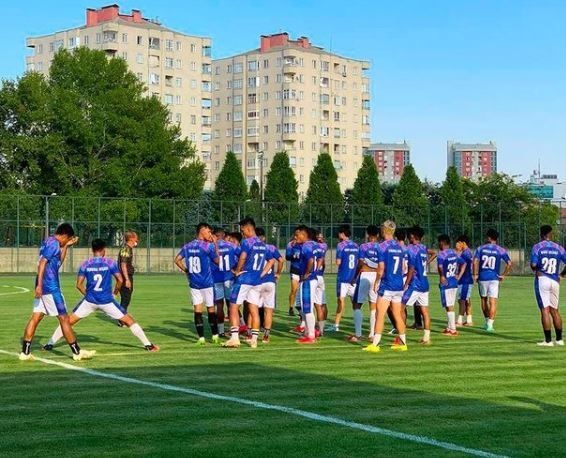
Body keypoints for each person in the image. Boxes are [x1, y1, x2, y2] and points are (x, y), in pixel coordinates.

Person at [43, 239, 159, 352]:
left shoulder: (85, 264)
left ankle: (49, 344)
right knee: (129, 321)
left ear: (92, 250)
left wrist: (88, 295)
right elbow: (120, 280)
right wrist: (115, 293)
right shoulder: (110, 263)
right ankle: (148, 345)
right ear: (104, 250)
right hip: (106, 301)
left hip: (89, 301)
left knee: (67, 321)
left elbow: (79, 285)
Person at [19, 223, 95, 361]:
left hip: (44, 287)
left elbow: (58, 262)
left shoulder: (49, 242)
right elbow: (42, 263)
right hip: (51, 288)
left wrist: (66, 246)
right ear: (65, 235)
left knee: (36, 317)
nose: (68, 241)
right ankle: (77, 352)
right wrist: (40, 286)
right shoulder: (54, 244)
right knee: (64, 319)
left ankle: (25, 352)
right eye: (68, 239)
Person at [224, 217, 270, 349]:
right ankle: (254, 340)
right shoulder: (262, 244)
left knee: (233, 307)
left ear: (248, 227)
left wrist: (237, 270)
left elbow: (243, 257)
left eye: (242, 229)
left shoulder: (247, 242)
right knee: (254, 309)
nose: (242, 232)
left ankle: (234, 338)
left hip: (245, 279)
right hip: (257, 280)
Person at [364, 220, 408, 353]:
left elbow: (381, 268)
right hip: (398, 285)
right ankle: (403, 343)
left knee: (380, 314)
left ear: (383, 230)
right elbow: (403, 267)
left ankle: (375, 344)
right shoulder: (400, 247)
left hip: (387, 284)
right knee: (397, 315)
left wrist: (377, 282)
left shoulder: (381, 246)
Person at [174, 223, 220, 345]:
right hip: (207, 283)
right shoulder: (208, 246)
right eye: (209, 232)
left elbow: (176, 260)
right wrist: (215, 244)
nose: (210, 234)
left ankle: (201, 338)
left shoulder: (187, 246)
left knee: (197, 310)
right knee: (211, 309)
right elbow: (218, 261)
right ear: (202, 230)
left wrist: (186, 271)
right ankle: (215, 336)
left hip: (194, 283)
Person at [530, 225, 565, 347]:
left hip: (542, 279)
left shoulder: (537, 247)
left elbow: (533, 265)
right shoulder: (559, 248)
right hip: (555, 280)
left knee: (545, 310)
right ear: (551, 233)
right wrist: (562, 274)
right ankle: (560, 339)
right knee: (555, 310)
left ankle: (548, 341)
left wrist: (536, 268)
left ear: (541, 234)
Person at [473, 229, 512, 332]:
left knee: (483, 300)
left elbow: (475, 261)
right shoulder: (500, 250)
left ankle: (486, 322)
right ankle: (490, 324)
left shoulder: (480, 248)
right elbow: (509, 263)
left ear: (489, 237)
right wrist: (503, 275)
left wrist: (475, 274)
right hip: (494, 278)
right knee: (493, 301)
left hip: (483, 277)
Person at [349, 225, 380, 342]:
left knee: (357, 304)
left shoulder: (363, 246)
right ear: (377, 235)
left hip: (365, 275)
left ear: (367, 234)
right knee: (373, 305)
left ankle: (358, 334)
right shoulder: (381, 247)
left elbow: (360, 263)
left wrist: (354, 276)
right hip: (376, 276)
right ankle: (372, 334)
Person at [402, 226, 432, 345]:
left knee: (399, 308)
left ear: (413, 236)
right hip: (425, 283)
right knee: (425, 311)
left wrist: (406, 284)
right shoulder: (423, 248)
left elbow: (411, 268)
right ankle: (426, 338)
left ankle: (401, 336)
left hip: (415, 284)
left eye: (409, 235)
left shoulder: (411, 249)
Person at [256, 227, 283, 343]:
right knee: (269, 310)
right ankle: (266, 336)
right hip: (270, 281)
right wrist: (278, 273)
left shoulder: (252, 247)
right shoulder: (271, 248)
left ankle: (252, 334)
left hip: (257, 281)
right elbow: (281, 260)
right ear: (264, 237)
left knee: (254, 310)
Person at [437, 234, 466, 336]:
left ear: (442, 243)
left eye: (438, 243)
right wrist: (459, 275)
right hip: (454, 282)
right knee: (449, 305)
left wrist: (442, 276)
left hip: (446, 283)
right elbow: (464, 264)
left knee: (449, 306)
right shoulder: (454, 253)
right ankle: (449, 327)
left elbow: (440, 266)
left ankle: (453, 330)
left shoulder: (441, 254)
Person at [211, 227, 238, 337]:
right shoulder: (232, 246)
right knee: (232, 305)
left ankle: (221, 331)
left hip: (216, 279)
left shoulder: (212, 247)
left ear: (215, 236)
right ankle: (234, 330)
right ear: (223, 235)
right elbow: (241, 256)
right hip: (229, 278)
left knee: (219, 305)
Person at [333, 225, 359, 332]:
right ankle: (358, 326)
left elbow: (338, 262)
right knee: (356, 304)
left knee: (340, 301)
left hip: (343, 277)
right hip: (353, 279)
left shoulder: (340, 245)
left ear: (342, 234)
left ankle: (336, 326)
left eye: (339, 233)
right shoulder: (356, 245)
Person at [295, 226, 318, 344]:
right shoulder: (313, 244)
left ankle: (311, 335)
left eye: (297, 235)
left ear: (303, 235)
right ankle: (310, 332)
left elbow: (311, 261)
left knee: (307, 308)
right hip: (313, 279)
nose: (295, 237)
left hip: (308, 280)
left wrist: (307, 273)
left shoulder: (306, 246)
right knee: (307, 308)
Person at [117, 231, 138, 326]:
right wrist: (127, 279)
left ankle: (121, 317)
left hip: (126, 276)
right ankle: (121, 319)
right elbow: (123, 265)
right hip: (125, 277)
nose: (137, 239)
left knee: (126, 299)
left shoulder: (129, 248)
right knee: (125, 299)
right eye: (136, 237)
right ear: (131, 238)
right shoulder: (126, 249)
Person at [455, 235, 474, 326]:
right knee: (466, 300)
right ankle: (469, 320)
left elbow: (464, 266)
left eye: (459, 242)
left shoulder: (465, 253)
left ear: (463, 243)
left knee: (462, 300)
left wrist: (458, 276)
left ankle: (459, 320)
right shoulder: (468, 252)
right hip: (467, 279)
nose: (457, 244)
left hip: (464, 280)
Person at [313, 231, 328, 336]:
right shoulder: (323, 247)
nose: (320, 239)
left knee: (314, 305)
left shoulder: (310, 247)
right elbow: (323, 262)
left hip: (313, 277)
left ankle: (310, 328)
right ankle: (321, 328)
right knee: (321, 304)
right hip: (320, 277)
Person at [286, 233, 302, 317]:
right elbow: (287, 257)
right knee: (294, 290)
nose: (296, 237)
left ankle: (301, 308)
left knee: (302, 291)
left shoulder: (304, 244)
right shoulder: (290, 244)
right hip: (294, 270)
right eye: (295, 235)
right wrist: (294, 255)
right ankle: (291, 307)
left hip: (303, 271)